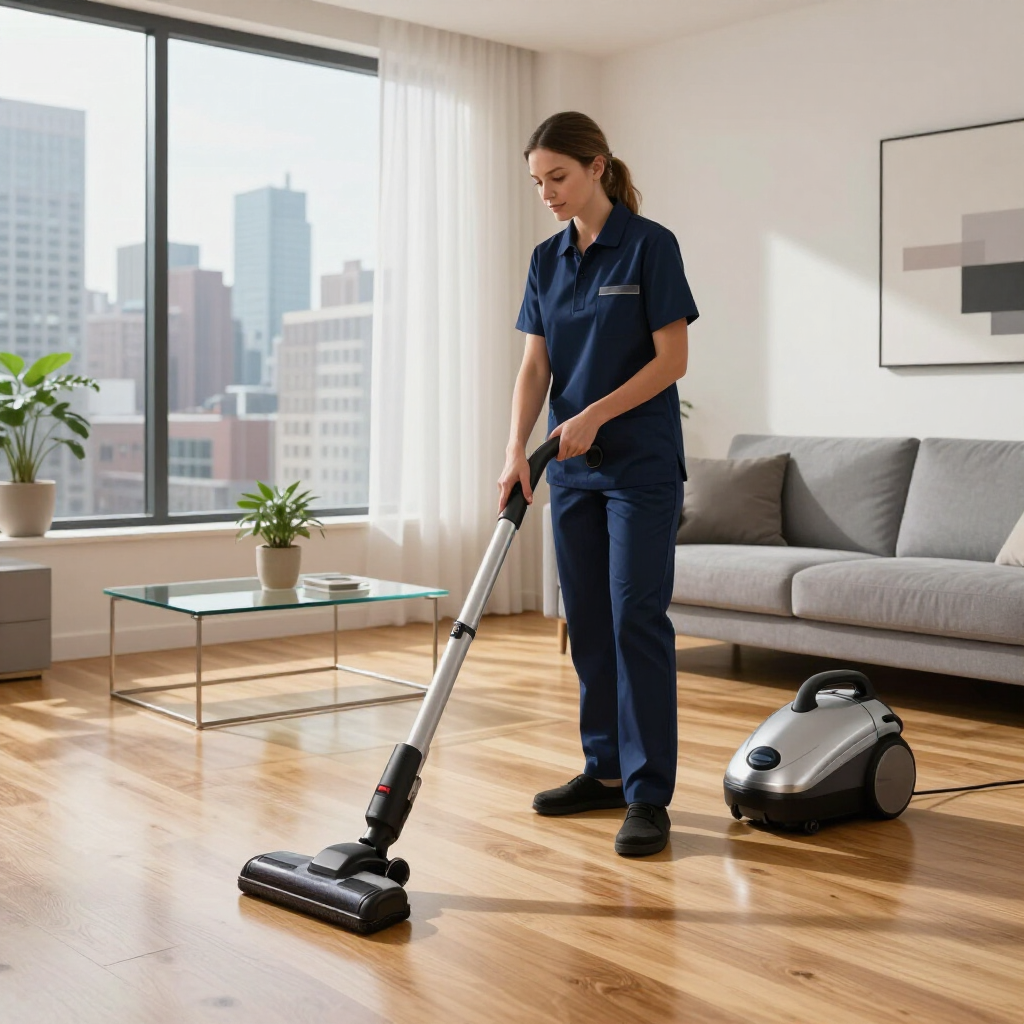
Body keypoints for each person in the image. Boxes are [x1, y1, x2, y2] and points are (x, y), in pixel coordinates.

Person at [498, 111, 698, 857]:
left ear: (597, 168)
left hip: (639, 468)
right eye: (537, 181)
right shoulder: (546, 259)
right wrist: (516, 449)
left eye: (558, 177)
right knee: (585, 619)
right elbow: (535, 366)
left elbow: (672, 360)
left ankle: (648, 794)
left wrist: (595, 415)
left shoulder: (650, 246)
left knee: (633, 618)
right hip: (571, 469)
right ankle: (605, 770)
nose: (547, 192)